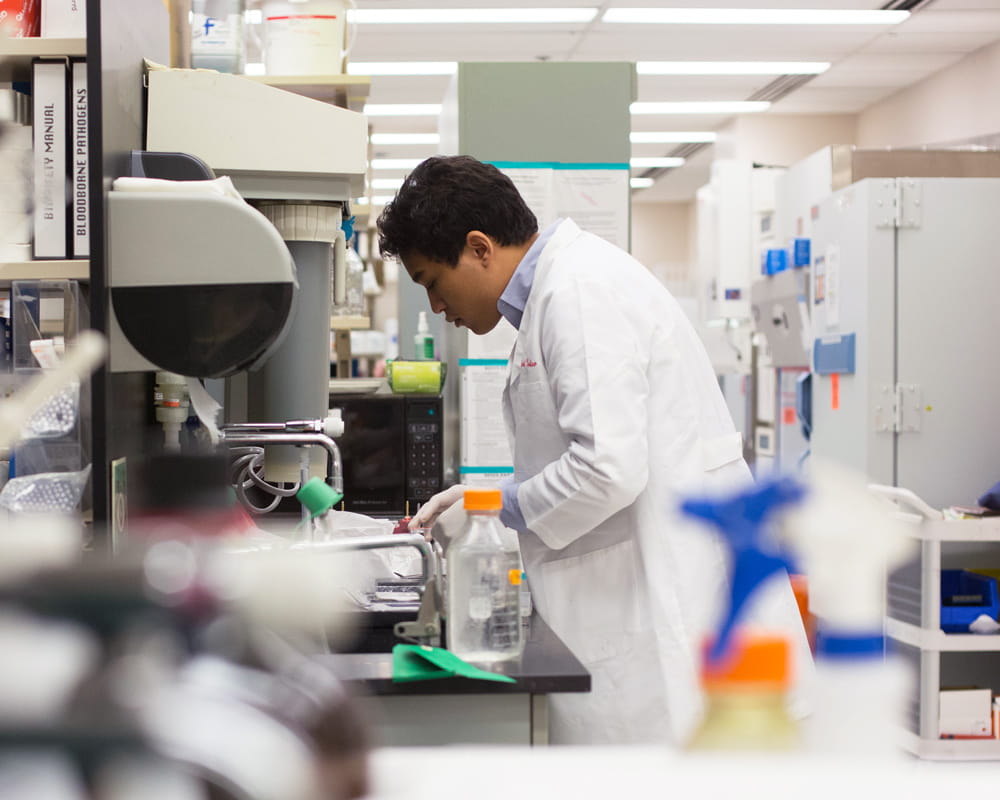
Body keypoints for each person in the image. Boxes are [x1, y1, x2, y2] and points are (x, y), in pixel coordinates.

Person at [377, 155, 812, 745]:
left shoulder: (578, 291)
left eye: (432, 281)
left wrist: (494, 507)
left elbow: (608, 468)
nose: (435, 307)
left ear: (479, 248)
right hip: (635, 597)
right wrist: (485, 496)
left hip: (658, 614)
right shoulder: (562, 291)